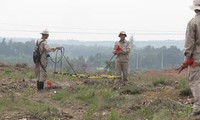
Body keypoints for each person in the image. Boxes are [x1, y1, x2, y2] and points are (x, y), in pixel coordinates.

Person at [182, 0, 200, 116]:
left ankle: (198, 107)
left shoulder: (193, 22)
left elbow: (189, 43)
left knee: (195, 81)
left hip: (196, 58)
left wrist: (187, 59)